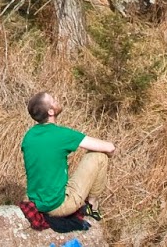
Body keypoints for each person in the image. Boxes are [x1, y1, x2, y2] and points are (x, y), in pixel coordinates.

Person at [21, 91, 115, 222]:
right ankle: (92, 206)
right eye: (53, 100)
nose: (57, 100)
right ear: (51, 112)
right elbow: (109, 147)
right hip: (58, 206)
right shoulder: (61, 134)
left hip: (36, 201)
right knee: (100, 156)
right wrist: (109, 154)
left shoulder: (28, 136)